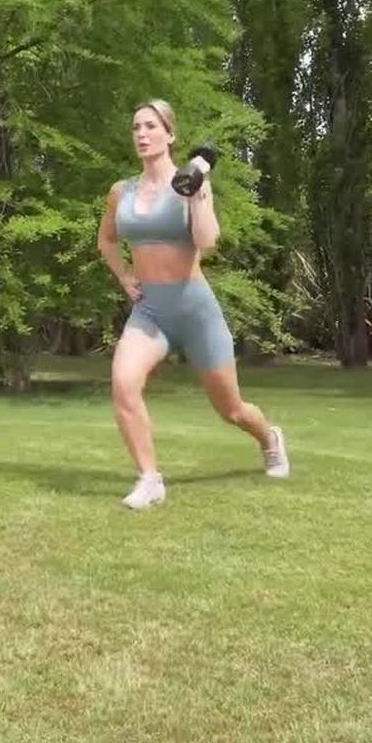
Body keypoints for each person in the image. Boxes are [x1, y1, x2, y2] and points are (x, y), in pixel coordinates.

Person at [97, 100, 289, 509]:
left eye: (151, 126)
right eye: (136, 127)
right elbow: (107, 241)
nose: (142, 134)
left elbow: (207, 242)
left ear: (170, 135)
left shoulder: (190, 182)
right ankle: (150, 480)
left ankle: (270, 438)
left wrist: (200, 198)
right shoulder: (121, 192)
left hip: (195, 310)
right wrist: (124, 276)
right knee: (123, 384)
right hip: (150, 311)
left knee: (231, 409)